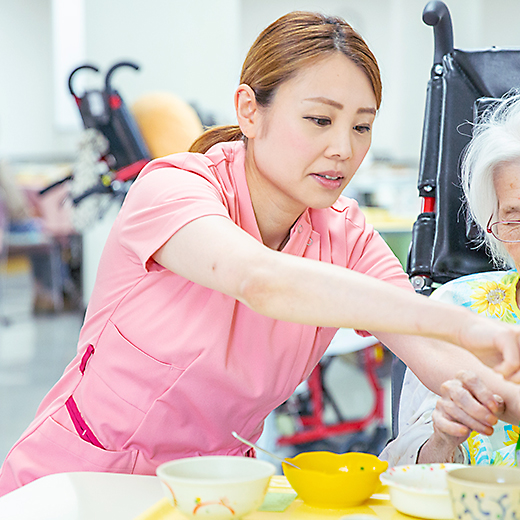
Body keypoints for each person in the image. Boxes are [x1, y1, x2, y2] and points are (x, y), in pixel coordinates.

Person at [1, 11, 520, 496]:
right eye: (320, 120)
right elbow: (260, 280)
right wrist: (465, 325)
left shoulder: (347, 237)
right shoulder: (174, 191)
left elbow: (444, 363)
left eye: (361, 126)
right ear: (250, 110)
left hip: (217, 494)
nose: (344, 148)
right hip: (78, 485)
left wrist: (487, 376)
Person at [381, 91, 520, 467]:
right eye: (514, 219)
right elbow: (400, 467)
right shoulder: (455, 309)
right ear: (494, 229)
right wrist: (444, 440)